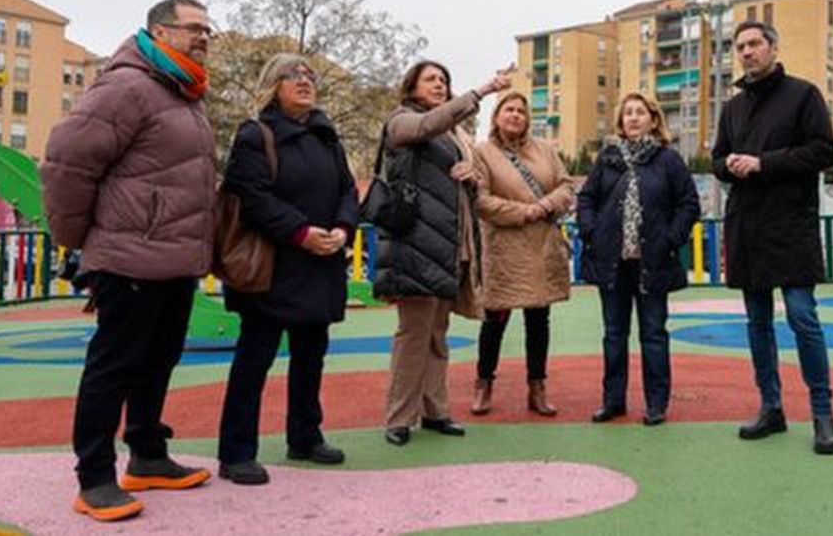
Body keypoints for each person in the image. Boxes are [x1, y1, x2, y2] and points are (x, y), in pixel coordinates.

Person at [42, 0, 218, 521]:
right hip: (128, 255)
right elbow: (66, 162)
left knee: (157, 360)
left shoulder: (182, 92)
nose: (204, 37)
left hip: (174, 257)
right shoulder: (128, 86)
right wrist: (82, 239)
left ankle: (147, 454)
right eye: (194, 29)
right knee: (113, 366)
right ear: (159, 32)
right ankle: (94, 476)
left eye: (209, 30)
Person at [215, 54, 358, 485]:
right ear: (272, 84)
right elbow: (251, 196)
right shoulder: (255, 134)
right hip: (273, 265)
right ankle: (237, 451)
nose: (304, 81)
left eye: (309, 75)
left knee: (311, 354)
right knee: (254, 357)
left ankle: (305, 435)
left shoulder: (327, 135)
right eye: (293, 75)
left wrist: (342, 227)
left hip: (320, 263)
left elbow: (348, 189)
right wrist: (300, 233)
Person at [711, 20, 833, 455]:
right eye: (740, 46)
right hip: (747, 227)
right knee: (757, 324)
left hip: (791, 225)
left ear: (772, 47)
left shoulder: (803, 95)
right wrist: (728, 163)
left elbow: (823, 151)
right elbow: (714, 158)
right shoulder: (732, 108)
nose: (746, 52)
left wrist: (763, 163)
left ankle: (823, 415)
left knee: (803, 317)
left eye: (754, 44)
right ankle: (771, 408)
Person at [372, 60, 511, 445]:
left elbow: (458, 181)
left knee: (436, 334)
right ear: (411, 85)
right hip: (414, 244)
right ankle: (399, 418)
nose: (440, 84)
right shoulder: (402, 121)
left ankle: (436, 411)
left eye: (445, 80)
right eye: (431, 79)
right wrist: (480, 92)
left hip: (445, 244)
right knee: (413, 334)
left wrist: (470, 176)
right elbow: (424, 126)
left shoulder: (452, 135)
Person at [575, 92, 699, 426]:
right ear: (620, 121)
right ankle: (613, 401)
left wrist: (671, 238)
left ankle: (656, 403)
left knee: (653, 333)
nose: (633, 118)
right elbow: (586, 198)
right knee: (614, 334)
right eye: (627, 113)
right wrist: (591, 229)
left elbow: (688, 204)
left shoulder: (668, 160)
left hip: (653, 262)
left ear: (653, 119)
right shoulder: (607, 158)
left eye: (640, 112)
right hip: (612, 262)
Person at [469, 92, 575, 417]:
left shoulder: (545, 149)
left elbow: (566, 186)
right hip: (503, 247)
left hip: (542, 245)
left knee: (539, 320)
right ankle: (484, 382)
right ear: (496, 116)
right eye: (508, 109)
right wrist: (524, 212)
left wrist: (545, 205)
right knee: (495, 319)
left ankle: (537, 387)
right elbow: (480, 201)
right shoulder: (481, 153)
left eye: (521, 111)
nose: (515, 115)